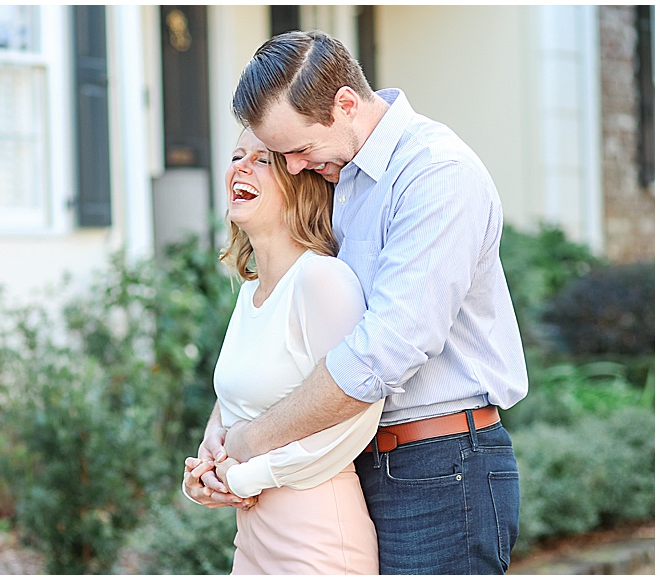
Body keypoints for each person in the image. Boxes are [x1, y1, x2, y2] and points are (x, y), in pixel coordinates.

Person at [193, 30, 530, 575]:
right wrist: (224, 436)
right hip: (360, 463)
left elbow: (382, 352)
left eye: (298, 150)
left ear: (345, 104)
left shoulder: (434, 174)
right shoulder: (342, 178)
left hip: (441, 468)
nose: (295, 168)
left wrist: (250, 442)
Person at [182, 128, 385, 574]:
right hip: (251, 539)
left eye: (262, 160)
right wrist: (207, 468)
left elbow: (357, 413)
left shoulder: (323, 281)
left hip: (317, 542)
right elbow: (238, 400)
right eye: (237, 156)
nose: (240, 166)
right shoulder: (249, 293)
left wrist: (245, 475)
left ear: (301, 185)